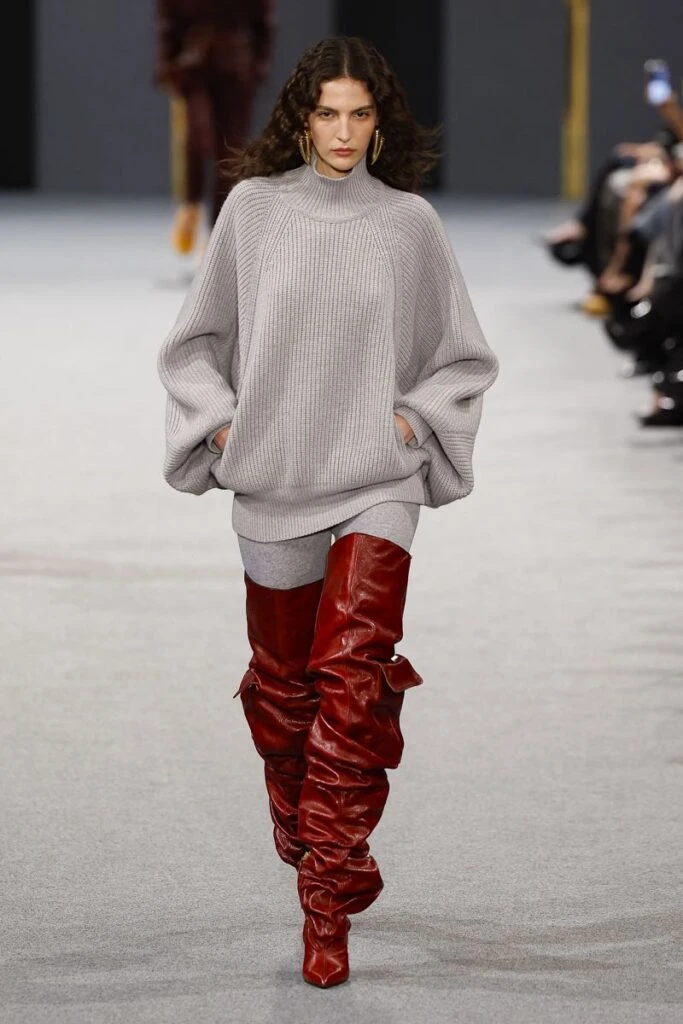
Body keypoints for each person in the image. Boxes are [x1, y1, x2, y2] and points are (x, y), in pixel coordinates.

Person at [157, 35, 498, 988]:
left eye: (359, 115)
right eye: (326, 114)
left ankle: (326, 896)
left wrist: (414, 421)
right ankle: (303, 817)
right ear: (300, 120)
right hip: (275, 476)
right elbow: (195, 343)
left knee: (352, 677)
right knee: (283, 698)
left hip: (377, 479)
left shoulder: (408, 224)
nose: (343, 133)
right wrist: (223, 425)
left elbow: (461, 355)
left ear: (379, 123)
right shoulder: (254, 212)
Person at [154, 0, 276, 250]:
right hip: (194, 65)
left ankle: (217, 234)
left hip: (237, 66)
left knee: (230, 151)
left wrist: (259, 65)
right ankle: (191, 204)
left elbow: (263, 22)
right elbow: (167, 21)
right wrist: (168, 62)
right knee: (198, 136)